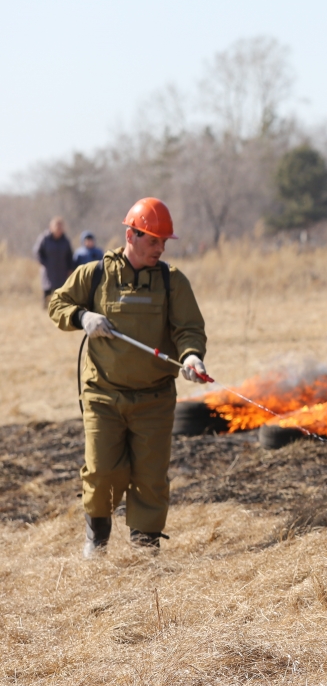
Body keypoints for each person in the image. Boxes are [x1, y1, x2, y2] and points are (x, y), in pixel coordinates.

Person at [47, 198, 210, 558]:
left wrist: (191, 356)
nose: (160, 248)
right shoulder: (94, 275)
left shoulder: (172, 281)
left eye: (164, 242)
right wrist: (83, 317)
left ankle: (145, 550)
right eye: (153, 240)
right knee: (102, 471)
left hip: (155, 399)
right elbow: (57, 304)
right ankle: (97, 540)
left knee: (151, 477)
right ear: (131, 236)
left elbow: (189, 329)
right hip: (103, 395)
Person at [33, 216, 74, 301]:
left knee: (60, 297)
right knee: (47, 295)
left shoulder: (65, 241)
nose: (58, 229)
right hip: (48, 272)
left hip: (62, 273)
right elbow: (37, 252)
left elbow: (70, 256)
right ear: (51, 227)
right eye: (57, 227)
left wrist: (70, 269)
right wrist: (45, 263)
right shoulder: (45, 238)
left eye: (60, 227)